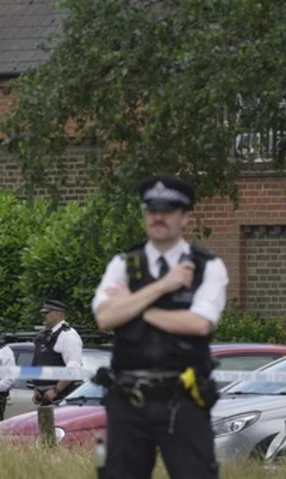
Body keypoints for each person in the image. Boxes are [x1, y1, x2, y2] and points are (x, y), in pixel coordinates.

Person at [92, 174, 229, 479]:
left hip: (184, 398)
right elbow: (104, 317)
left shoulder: (207, 266)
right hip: (128, 399)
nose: (158, 217)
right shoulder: (123, 264)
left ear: (184, 218)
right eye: (152, 210)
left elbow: (199, 324)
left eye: (167, 210)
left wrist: (135, 307)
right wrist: (163, 286)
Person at [31, 299, 83, 405]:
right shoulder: (45, 335)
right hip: (44, 397)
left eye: (47, 313)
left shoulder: (68, 335)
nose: (43, 315)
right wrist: (37, 388)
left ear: (58, 314)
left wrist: (56, 390)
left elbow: (73, 367)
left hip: (61, 397)